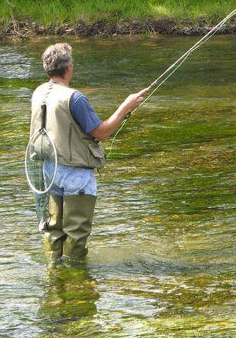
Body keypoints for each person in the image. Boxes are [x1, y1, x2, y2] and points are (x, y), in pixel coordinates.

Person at [29, 43, 147, 262]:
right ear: (68, 68)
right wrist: (126, 107)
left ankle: (54, 273)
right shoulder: (74, 98)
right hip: (75, 173)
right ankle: (76, 276)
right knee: (76, 233)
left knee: (53, 229)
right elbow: (101, 133)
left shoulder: (39, 92)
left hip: (49, 169)